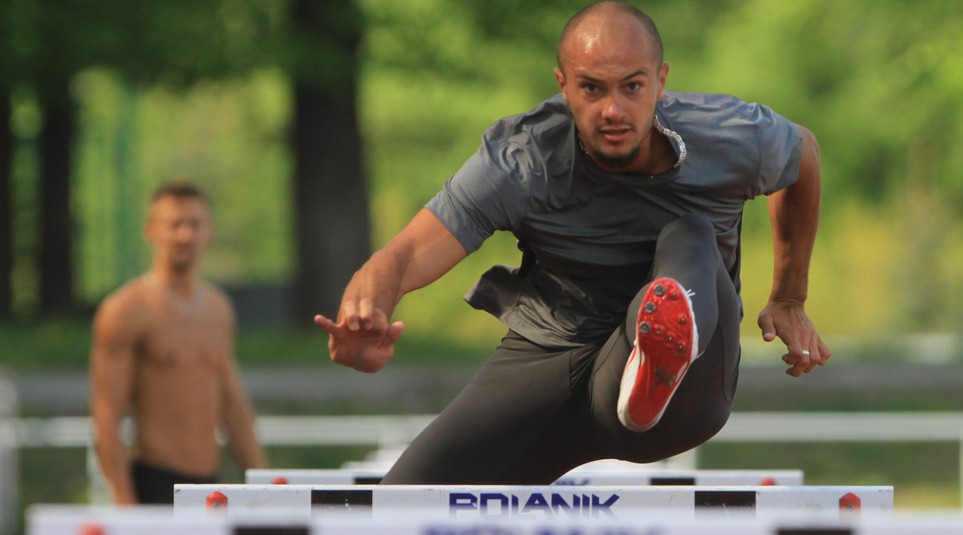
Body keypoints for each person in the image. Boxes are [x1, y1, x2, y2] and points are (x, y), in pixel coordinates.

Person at [315, 1, 830, 484]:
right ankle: (642, 364)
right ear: (563, 85)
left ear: (661, 81)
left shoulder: (727, 136)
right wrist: (368, 308)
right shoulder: (523, 160)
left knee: (690, 232)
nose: (613, 110)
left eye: (632, 87)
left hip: (687, 392)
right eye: (592, 89)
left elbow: (803, 155)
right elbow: (403, 254)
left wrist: (789, 296)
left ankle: (655, 358)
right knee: (396, 510)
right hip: (552, 361)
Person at [90, 180, 267, 505]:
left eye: (194, 224)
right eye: (174, 225)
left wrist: (265, 489)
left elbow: (233, 404)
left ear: (208, 231)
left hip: (210, 483)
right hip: (154, 481)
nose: (185, 235)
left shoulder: (218, 308)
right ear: (152, 230)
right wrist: (124, 500)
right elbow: (106, 414)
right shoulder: (126, 311)